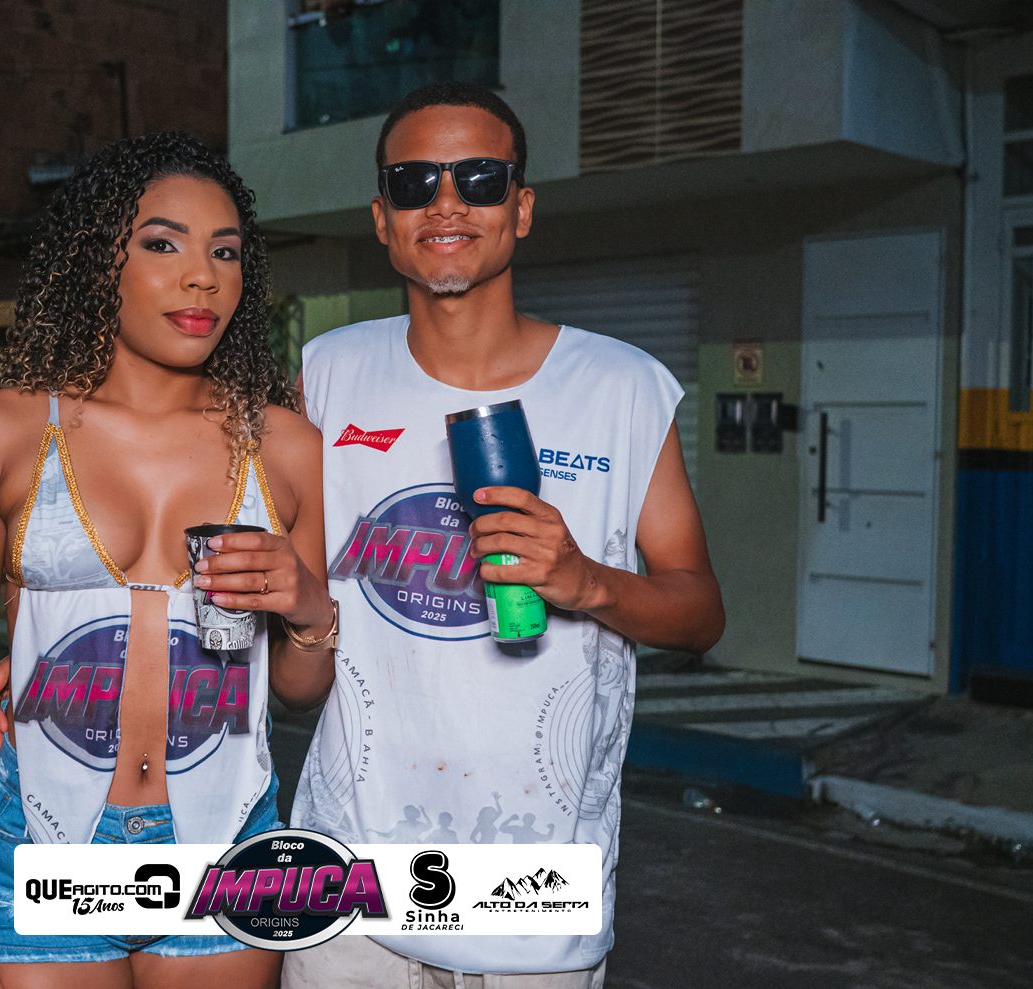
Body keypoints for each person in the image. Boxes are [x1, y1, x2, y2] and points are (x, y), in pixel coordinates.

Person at [279, 83, 724, 987]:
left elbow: (699, 611)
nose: (446, 202)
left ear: (521, 208)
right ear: (382, 218)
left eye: (479, 178)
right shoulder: (326, 375)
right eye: (415, 182)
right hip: (349, 887)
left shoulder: (622, 387)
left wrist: (589, 580)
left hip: (535, 894)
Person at [0, 132, 336, 989]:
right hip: (32, 838)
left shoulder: (286, 447)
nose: (202, 277)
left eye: (225, 252)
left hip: (227, 841)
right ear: (99, 259)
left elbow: (298, 689)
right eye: (163, 244)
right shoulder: (4, 432)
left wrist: (306, 606)